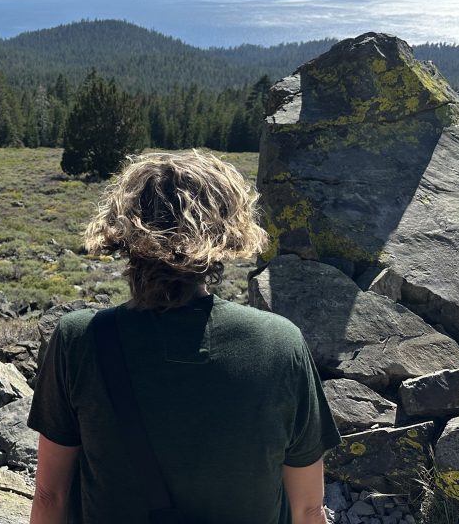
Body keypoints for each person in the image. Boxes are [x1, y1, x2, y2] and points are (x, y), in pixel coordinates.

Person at [28, 151, 341, 524]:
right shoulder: (279, 344)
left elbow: (50, 496)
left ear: (122, 230)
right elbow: (308, 509)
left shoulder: (79, 339)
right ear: (227, 231)